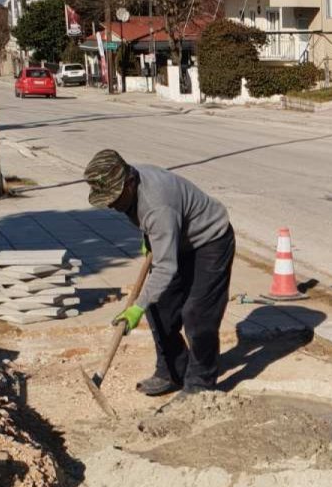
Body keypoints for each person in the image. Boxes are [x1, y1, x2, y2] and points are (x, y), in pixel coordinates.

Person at [84, 150, 236, 397]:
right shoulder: (132, 181)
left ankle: (200, 384)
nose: (110, 204)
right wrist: (150, 238)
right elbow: (151, 223)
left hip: (210, 240)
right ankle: (172, 372)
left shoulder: (157, 206)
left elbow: (166, 266)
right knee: (160, 308)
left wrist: (137, 307)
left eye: (114, 197)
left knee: (197, 313)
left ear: (130, 183)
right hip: (180, 240)